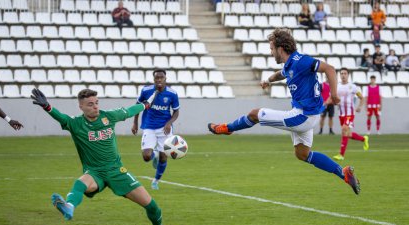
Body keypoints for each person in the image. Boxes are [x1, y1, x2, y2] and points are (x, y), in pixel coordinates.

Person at [208, 28, 361, 195]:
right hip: (307, 115)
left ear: (280, 49)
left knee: (254, 114)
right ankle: (343, 173)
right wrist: (268, 80)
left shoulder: (301, 61)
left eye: (272, 49)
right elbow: (282, 74)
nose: (271, 52)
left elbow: (330, 69)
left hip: (302, 116)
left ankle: (226, 128)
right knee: (302, 154)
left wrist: (333, 94)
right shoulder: (290, 65)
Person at [30, 88, 180, 225]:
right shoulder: (75, 124)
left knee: (152, 206)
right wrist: (47, 106)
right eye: (90, 104)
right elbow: (61, 117)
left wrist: (145, 106)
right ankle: (68, 206)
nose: (95, 106)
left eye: (96, 102)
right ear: (81, 107)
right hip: (95, 172)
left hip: (117, 171)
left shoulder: (109, 116)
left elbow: (128, 111)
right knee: (81, 183)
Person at [132, 69, 180, 190]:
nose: (159, 80)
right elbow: (137, 107)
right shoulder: (146, 90)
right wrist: (135, 123)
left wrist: (169, 123)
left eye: (161, 77)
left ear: (165, 79)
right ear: (154, 79)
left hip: (164, 128)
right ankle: (155, 154)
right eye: (156, 78)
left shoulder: (172, 93)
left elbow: (176, 111)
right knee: (146, 157)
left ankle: (155, 181)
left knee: (164, 157)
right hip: (149, 126)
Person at [332, 68, 369, 161]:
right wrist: (335, 102)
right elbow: (334, 98)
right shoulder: (337, 86)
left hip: (350, 113)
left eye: (345, 73)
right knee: (347, 134)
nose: (343, 75)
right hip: (341, 114)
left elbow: (362, 97)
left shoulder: (353, 87)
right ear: (339, 75)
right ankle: (364, 139)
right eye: (341, 73)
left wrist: (360, 106)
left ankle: (341, 155)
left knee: (344, 129)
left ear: (348, 75)